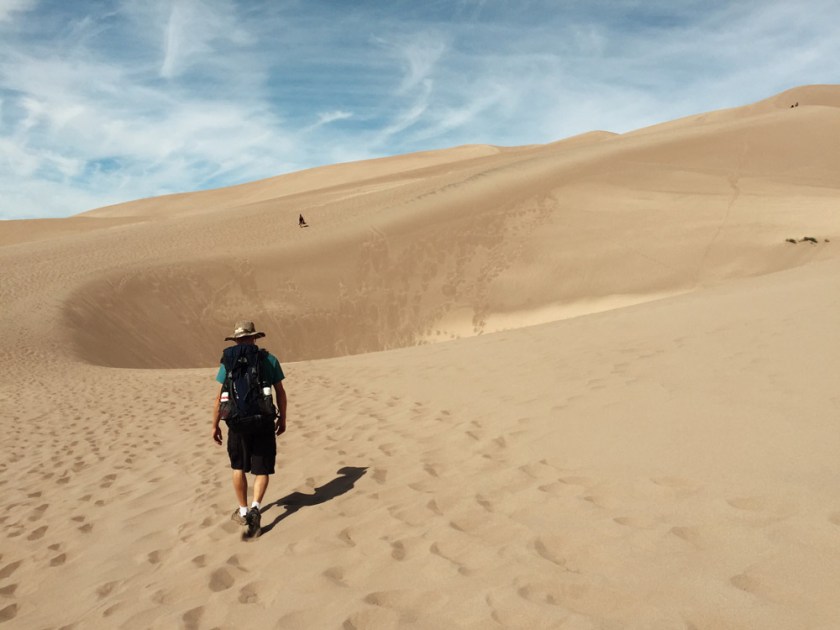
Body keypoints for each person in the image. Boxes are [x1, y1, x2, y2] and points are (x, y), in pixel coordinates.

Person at [212, 320, 287, 536]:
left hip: (236, 422)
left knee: (238, 467)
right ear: (255, 338)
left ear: (236, 340)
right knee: (261, 469)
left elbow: (219, 397)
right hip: (263, 420)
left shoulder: (228, 362)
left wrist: (214, 425)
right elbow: (280, 392)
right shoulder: (268, 359)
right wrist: (282, 419)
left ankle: (243, 510)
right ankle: (256, 507)